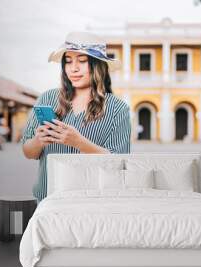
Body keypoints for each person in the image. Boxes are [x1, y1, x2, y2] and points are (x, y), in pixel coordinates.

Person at [21, 31, 131, 203]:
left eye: (82, 61)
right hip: (47, 201)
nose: (74, 68)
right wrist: (39, 140)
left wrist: (78, 142)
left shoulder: (118, 109)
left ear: (98, 66)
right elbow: (28, 152)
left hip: (92, 203)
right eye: (68, 61)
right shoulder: (47, 98)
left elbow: (119, 163)